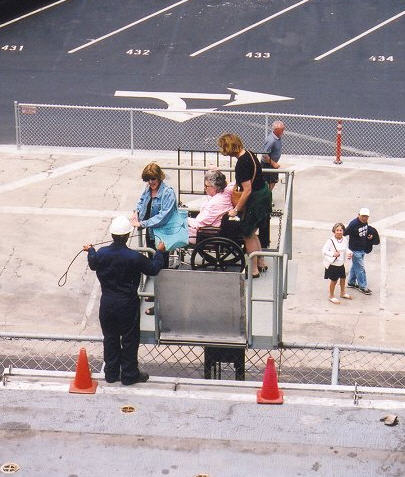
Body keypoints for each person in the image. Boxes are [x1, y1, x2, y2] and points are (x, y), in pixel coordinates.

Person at [83, 216, 165, 385]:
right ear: (128, 236)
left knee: (110, 338)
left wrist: (91, 250)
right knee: (129, 339)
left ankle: (111, 373)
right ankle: (129, 375)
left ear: (112, 234)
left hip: (107, 303)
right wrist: (159, 252)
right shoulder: (134, 257)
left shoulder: (102, 254)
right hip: (127, 304)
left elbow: (93, 263)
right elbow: (154, 269)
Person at [218, 133, 271, 277]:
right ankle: (261, 262)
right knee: (253, 232)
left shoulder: (241, 163)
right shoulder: (250, 154)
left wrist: (236, 209)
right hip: (264, 194)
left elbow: (247, 190)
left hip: (256, 200)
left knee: (247, 234)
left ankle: (253, 270)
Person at [131, 162, 177, 315]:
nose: (151, 182)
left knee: (162, 268)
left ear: (159, 177)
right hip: (151, 233)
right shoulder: (148, 189)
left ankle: (162, 304)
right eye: (148, 180)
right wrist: (136, 213)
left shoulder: (167, 192)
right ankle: (158, 294)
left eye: (153, 179)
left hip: (162, 235)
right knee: (153, 266)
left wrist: (142, 223)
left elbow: (163, 216)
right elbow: (141, 202)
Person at [259, 120, 285, 249]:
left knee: (273, 181)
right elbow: (264, 154)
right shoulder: (272, 140)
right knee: (268, 182)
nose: (283, 131)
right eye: (282, 129)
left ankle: (267, 197)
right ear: (276, 130)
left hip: (272, 163)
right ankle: (266, 198)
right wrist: (273, 163)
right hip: (268, 164)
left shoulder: (277, 138)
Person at [187, 169, 233, 244]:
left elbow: (199, 224)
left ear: (214, 187)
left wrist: (185, 219)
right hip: (212, 229)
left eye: (206, 186)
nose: (204, 188)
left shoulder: (215, 203)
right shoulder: (225, 194)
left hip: (205, 234)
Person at [344, 207, 380, 295]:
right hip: (355, 250)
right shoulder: (353, 224)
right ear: (358, 215)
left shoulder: (365, 222)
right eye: (363, 216)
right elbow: (344, 233)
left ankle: (351, 282)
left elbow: (364, 231)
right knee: (360, 269)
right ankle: (363, 286)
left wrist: (369, 236)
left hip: (362, 248)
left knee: (355, 266)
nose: (365, 218)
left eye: (367, 216)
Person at [322, 223, 353, 304]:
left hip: (341, 263)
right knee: (334, 281)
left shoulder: (345, 239)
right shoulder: (330, 241)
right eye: (337, 230)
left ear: (343, 231)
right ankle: (331, 296)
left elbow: (346, 249)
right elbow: (324, 250)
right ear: (334, 231)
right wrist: (333, 254)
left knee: (343, 278)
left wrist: (350, 253)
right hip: (333, 265)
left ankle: (342, 293)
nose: (339, 232)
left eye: (341, 230)